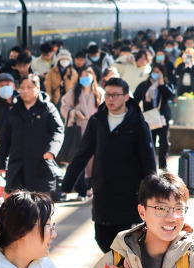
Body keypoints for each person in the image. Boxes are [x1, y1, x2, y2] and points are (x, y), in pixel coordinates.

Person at [62, 77, 157, 251]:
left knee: (127, 243)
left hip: (128, 193)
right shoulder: (97, 121)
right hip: (103, 192)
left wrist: (151, 195)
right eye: (108, 95)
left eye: (115, 95)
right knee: (103, 238)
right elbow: (82, 154)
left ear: (126, 97)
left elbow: (148, 162)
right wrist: (67, 183)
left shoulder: (137, 124)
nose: (111, 99)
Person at [0, 74, 64, 197]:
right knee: (18, 207)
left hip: (40, 165)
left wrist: (52, 150)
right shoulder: (14, 110)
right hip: (17, 166)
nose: (25, 91)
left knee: (40, 207)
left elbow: (58, 130)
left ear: (38, 88)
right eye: (22, 87)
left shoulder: (47, 108)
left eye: (29, 87)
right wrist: (1, 163)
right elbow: (5, 138)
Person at [134, 61, 175, 170]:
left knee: (164, 141)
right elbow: (136, 99)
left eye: (158, 72)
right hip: (149, 117)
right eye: (154, 72)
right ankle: (150, 163)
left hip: (162, 117)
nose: (155, 74)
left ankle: (162, 164)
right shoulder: (144, 85)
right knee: (150, 140)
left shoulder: (166, 85)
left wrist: (161, 84)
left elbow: (170, 95)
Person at [60, 66, 102, 167]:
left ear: (93, 77)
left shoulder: (100, 93)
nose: (85, 77)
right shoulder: (74, 92)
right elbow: (64, 108)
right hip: (79, 130)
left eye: (88, 75)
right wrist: (74, 112)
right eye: (82, 75)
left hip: (96, 130)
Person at [0, 73, 16, 147]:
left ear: (13, 86)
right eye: (1, 86)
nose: (5, 87)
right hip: (0, 145)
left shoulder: (21, 102)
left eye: (7, 84)